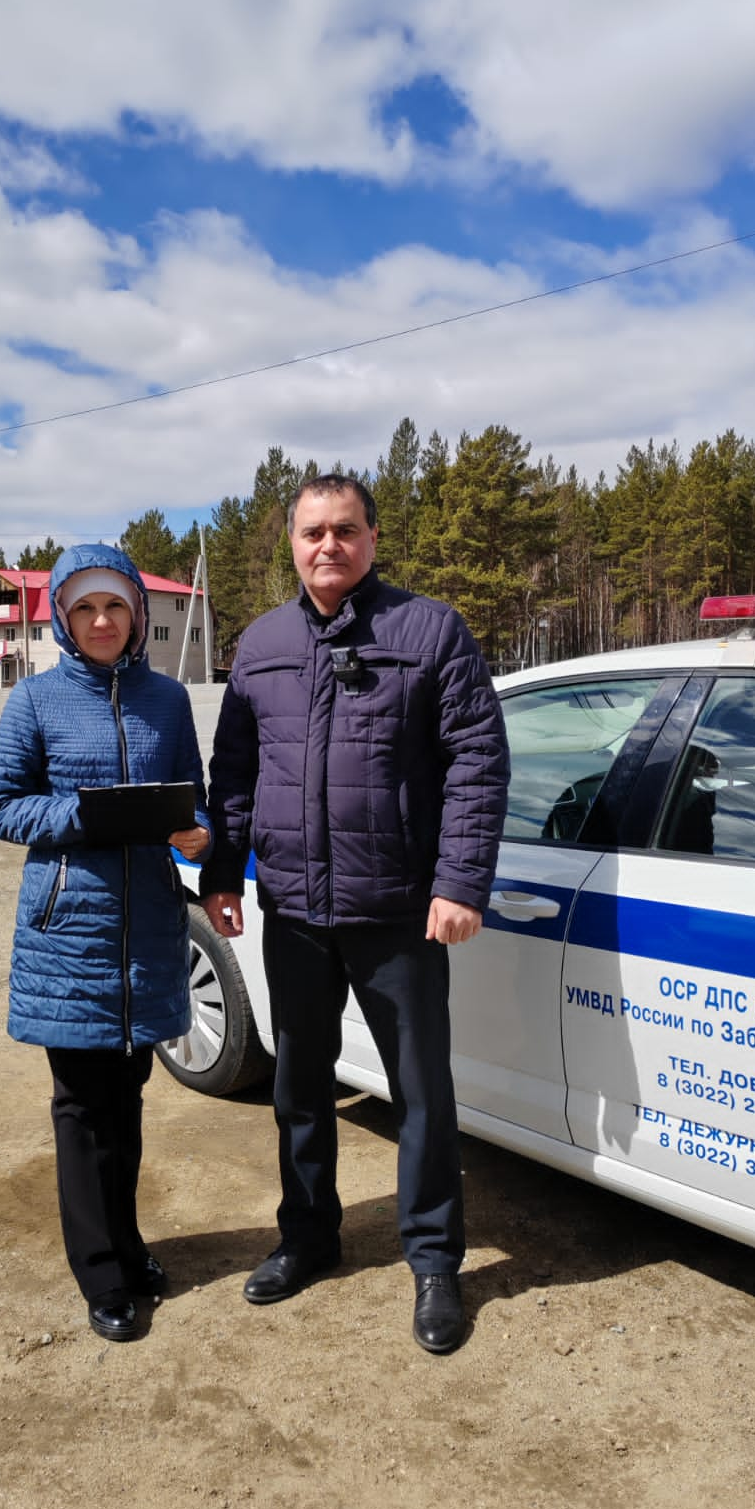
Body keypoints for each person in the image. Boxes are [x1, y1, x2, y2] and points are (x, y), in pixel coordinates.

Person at [199, 474, 508, 1355]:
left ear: (372, 539)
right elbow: (236, 776)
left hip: (397, 913)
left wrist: (459, 881)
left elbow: (476, 764)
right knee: (299, 1087)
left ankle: (436, 1263)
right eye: (311, 533)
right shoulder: (260, 646)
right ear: (290, 544)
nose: (327, 546)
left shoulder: (429, 630)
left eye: (344, 530)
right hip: (293, 910)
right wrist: (223, 871)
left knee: (422, 1095)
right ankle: (306, 1240)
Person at [0, 543, 211, 1343]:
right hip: (68, 933)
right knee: (83, 1110)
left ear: (138, 615)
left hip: (147, 927)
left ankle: (132, 1242)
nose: (103, 621)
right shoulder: (35, 701)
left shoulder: (169, 700)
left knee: (131, 1100)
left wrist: (196, 832)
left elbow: (196, 796)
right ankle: (102, 1274)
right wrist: (82, 815)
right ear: (63, 619)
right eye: (85, 608)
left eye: (116, 606)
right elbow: (3, 806)